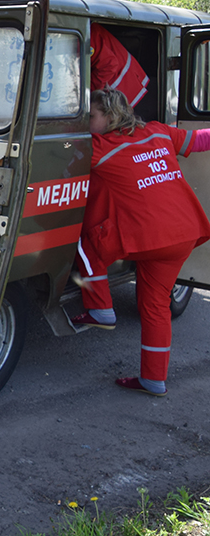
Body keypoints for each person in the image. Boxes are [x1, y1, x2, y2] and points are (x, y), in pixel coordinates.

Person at [71, 87, 210, 396]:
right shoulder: (159, 132)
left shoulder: (99, 148)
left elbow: (57, 152)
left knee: (81, 241)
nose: (86, 122)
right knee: (156, 307)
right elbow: (199, 140)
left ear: (109, 116)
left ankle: (100, 307)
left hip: (148, 236)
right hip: (183, 233)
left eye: (91, 116)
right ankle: (153, 379)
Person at [90, 23, 149, 109]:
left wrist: (88, 94)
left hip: (126, 89)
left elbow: (108, 66)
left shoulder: (87, 34)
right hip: (120, 88)